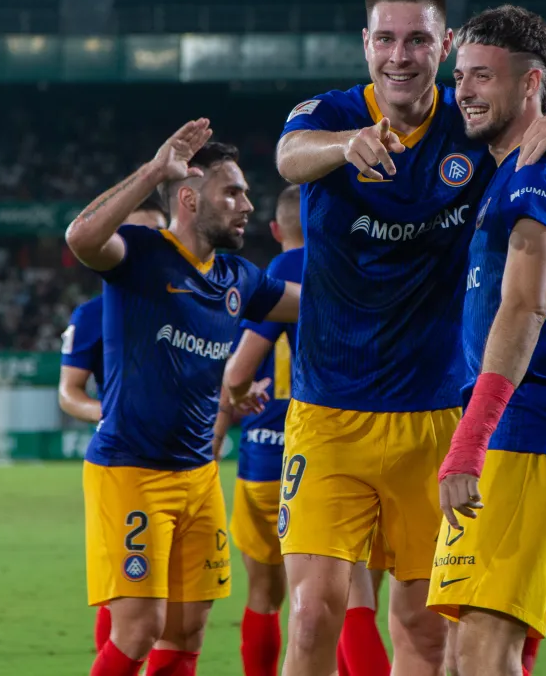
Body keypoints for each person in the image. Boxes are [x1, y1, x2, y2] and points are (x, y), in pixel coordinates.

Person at [274, 0, 546, 674]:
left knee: (426, 625)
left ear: (443, 46)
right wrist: (343, 146)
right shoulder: (326, 115)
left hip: (439, 413)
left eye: (418, 39)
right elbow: (287, 157)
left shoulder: (478, 124)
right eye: (385, 38)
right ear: (365, 43)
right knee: (314, 610)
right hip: (328, 412)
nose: (400, 55)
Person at [427, 5, 546, 676]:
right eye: (461, 78)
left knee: (486, 648)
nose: (465, 93)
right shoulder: (533, 171)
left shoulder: (539, 172)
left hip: (524, 429)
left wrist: (467, 442)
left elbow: (524, 308)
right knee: (463, 653)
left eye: (483, 77)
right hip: (535, 429)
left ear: (533, 81)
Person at [64, 122, 300, 676]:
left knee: (188, 632)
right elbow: (80, 238)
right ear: (190, 199)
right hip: (131, 472)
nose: (246, 204)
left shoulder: (238, 278)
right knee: (140, 630)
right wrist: (152, 172)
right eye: (233, 192)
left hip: (199, 477)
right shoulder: (143, 254)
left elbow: (315, 302)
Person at [215, 185, 392, 676]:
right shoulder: (378, 253)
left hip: (294, 455)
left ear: (276, 230)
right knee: (362, 598)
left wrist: (236, 396)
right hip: (394, 439)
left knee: (281, 599)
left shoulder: (287, 268)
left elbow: (236, 372)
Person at [58, 194, 168, 655]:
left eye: (157, 237)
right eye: (136, 237)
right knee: (127, 594)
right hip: (125, 462)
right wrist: (106, 412)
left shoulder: (191, 299)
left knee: (182, 617)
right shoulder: (90, 315)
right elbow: (69, 393)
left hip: (188, 463)